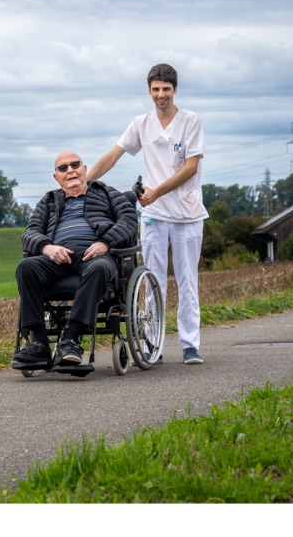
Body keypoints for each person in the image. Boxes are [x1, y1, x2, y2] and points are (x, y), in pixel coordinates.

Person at [87, 63, 208, 364]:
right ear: (149, 90)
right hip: (154, 213)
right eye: (155, 89)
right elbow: (113, 156)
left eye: (166, 89)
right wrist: (84, 181)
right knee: (152, 279)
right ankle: (154, 343)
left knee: (187, 280)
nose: (161, 95)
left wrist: (158, 192)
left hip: (187, 214)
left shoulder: (190, 121)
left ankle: (190, 345)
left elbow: (191, 168)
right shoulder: (141, 123)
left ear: (175, 89)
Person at [13, 151, 137, 367]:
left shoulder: (108, 193)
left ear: (84, 168)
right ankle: (40, 345)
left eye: (75, 165)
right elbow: (29, 233)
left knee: (99, 268)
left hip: (94, 255)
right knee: (26, 267)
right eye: (63, 168)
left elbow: (128, 222)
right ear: (56, 177)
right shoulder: (49, 201)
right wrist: (47, 247)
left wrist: (105, 243)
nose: (70, 170)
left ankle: (71, 339)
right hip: (57, 257)